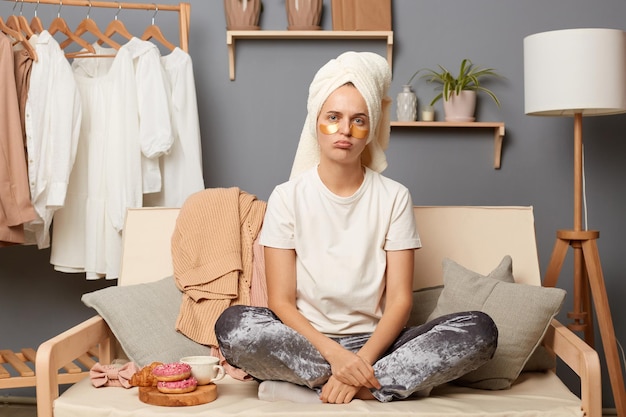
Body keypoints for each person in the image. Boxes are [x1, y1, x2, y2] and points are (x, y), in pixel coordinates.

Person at [215, 51, 497, 404]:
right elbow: (281, 303)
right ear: (315, 121)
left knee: (480, 330)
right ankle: (385, 386)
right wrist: (336, 356)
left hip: (380, 343)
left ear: (371, 128)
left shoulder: (395, 197)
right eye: (333, 117)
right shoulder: (287, 197)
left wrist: (361, 361)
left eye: (358, 120)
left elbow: (399, 301)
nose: (345, 130)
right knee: (233, 326)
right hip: (308, 341)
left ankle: (333, 388)